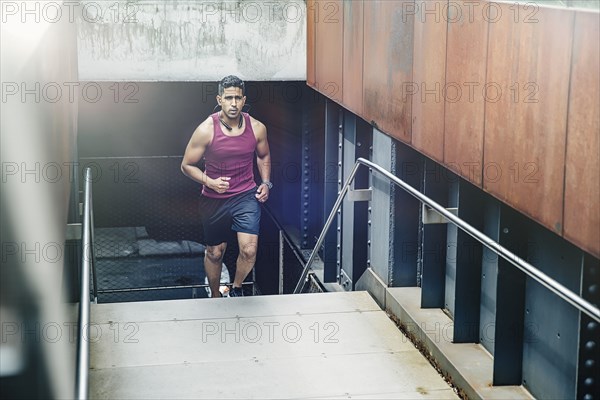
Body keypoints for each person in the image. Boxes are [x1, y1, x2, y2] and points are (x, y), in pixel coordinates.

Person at [181, 75, 271, 298]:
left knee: (249, 250)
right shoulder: (206, 130)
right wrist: (209, 182)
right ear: (219, 99)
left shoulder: (257, 128)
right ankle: (215, 294)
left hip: (246, 196)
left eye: (237, 98)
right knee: (214, 252)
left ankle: (237, 287)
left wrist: (267, 182)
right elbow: (186, 165)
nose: (233, 103)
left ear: (243, 100)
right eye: (228, 98)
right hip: (214, 199)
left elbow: (264, 155)